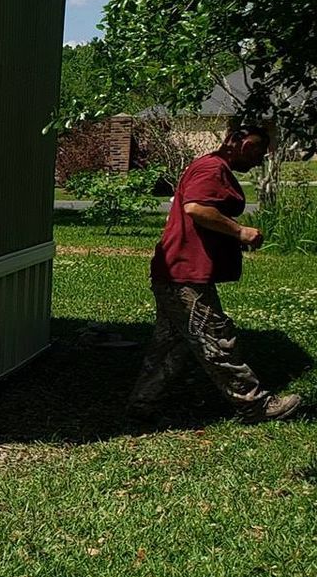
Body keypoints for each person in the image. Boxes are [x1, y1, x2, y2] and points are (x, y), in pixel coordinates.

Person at [128, 122, 302, 423]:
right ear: (242, 144)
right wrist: (240, 231)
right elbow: (196, 208)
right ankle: (254, 405)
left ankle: (142, 405)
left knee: (173, 343)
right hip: (185, 274)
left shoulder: (211, 167)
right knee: (215, 338)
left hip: (177, 272)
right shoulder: (211, 168)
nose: (260, 159)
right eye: (259, 151)